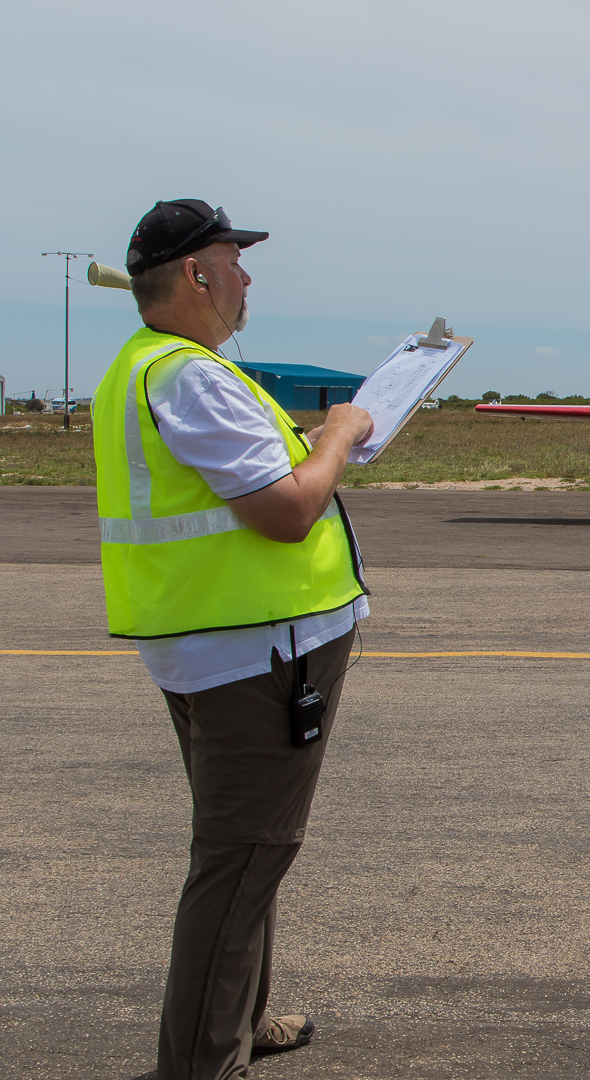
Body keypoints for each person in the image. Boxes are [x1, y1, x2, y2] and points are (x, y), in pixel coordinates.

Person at [92, 200, 374, 1079]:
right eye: (234, 260)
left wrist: (321, 447)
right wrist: (339, 433)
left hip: (223, 644)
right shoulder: (191, 375)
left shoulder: (156, 368)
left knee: (248, 849)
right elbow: (288, 510)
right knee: (245, 857)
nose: (247, 277)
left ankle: (238, 1021)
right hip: (255, 655)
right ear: (196, 276)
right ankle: (199, 1063)